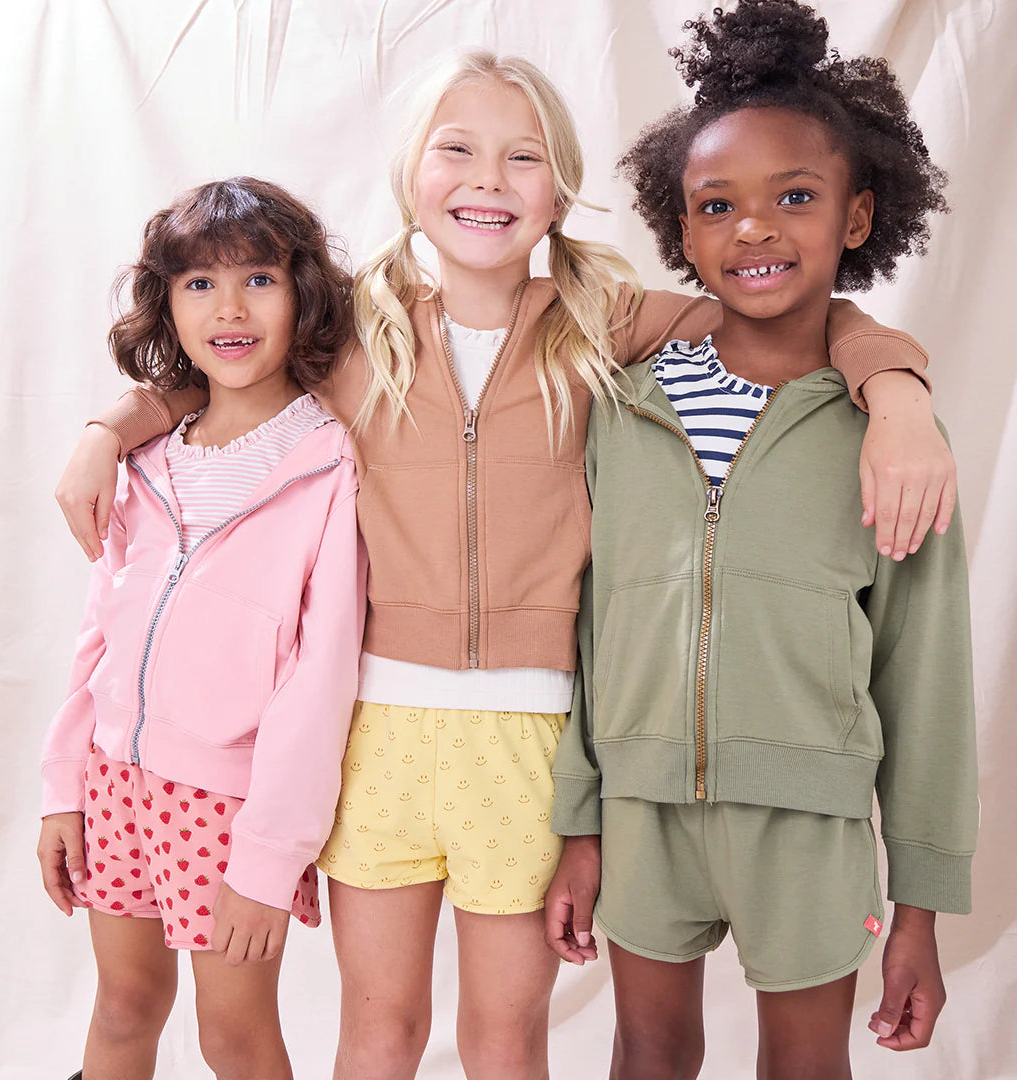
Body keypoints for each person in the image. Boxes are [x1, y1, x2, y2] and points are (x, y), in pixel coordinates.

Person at [55, 52, 953, 1080]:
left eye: (522, 157)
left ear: (561, 191)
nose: (488, 179)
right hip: (375, 735)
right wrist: (106, 425)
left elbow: (800, 316)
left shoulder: (603, 324)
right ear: (412, 176)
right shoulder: (353, 329)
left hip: (530, 741)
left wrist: (899, 393)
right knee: (380, 1031)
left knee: (500, 1037)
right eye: (459, 150)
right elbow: (221, 364)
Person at [545, 4, 978, 1077]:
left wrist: (919, 903)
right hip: (643, 809)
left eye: (796, 197)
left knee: (804, 1064)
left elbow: (923, 670)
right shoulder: (619, 403)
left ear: (859, 216)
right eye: (717, 206)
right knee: (646, 1051)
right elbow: (584, 627)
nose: (754, 228)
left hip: (810, 820)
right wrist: (581, 817)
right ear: (681, 233)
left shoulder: (887, 433)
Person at [37, 177, 367, 1080]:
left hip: (229, 806)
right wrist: (64, 784)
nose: (229, 307)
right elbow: (96, 635)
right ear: (167, 306)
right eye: (198, 284)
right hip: (115, 781)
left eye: (259, 279)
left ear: (304, 296)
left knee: (233, 1037)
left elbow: (320, 679)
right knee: (122, 1008)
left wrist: (269, 858)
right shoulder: (145, 460)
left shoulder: (329, 467)